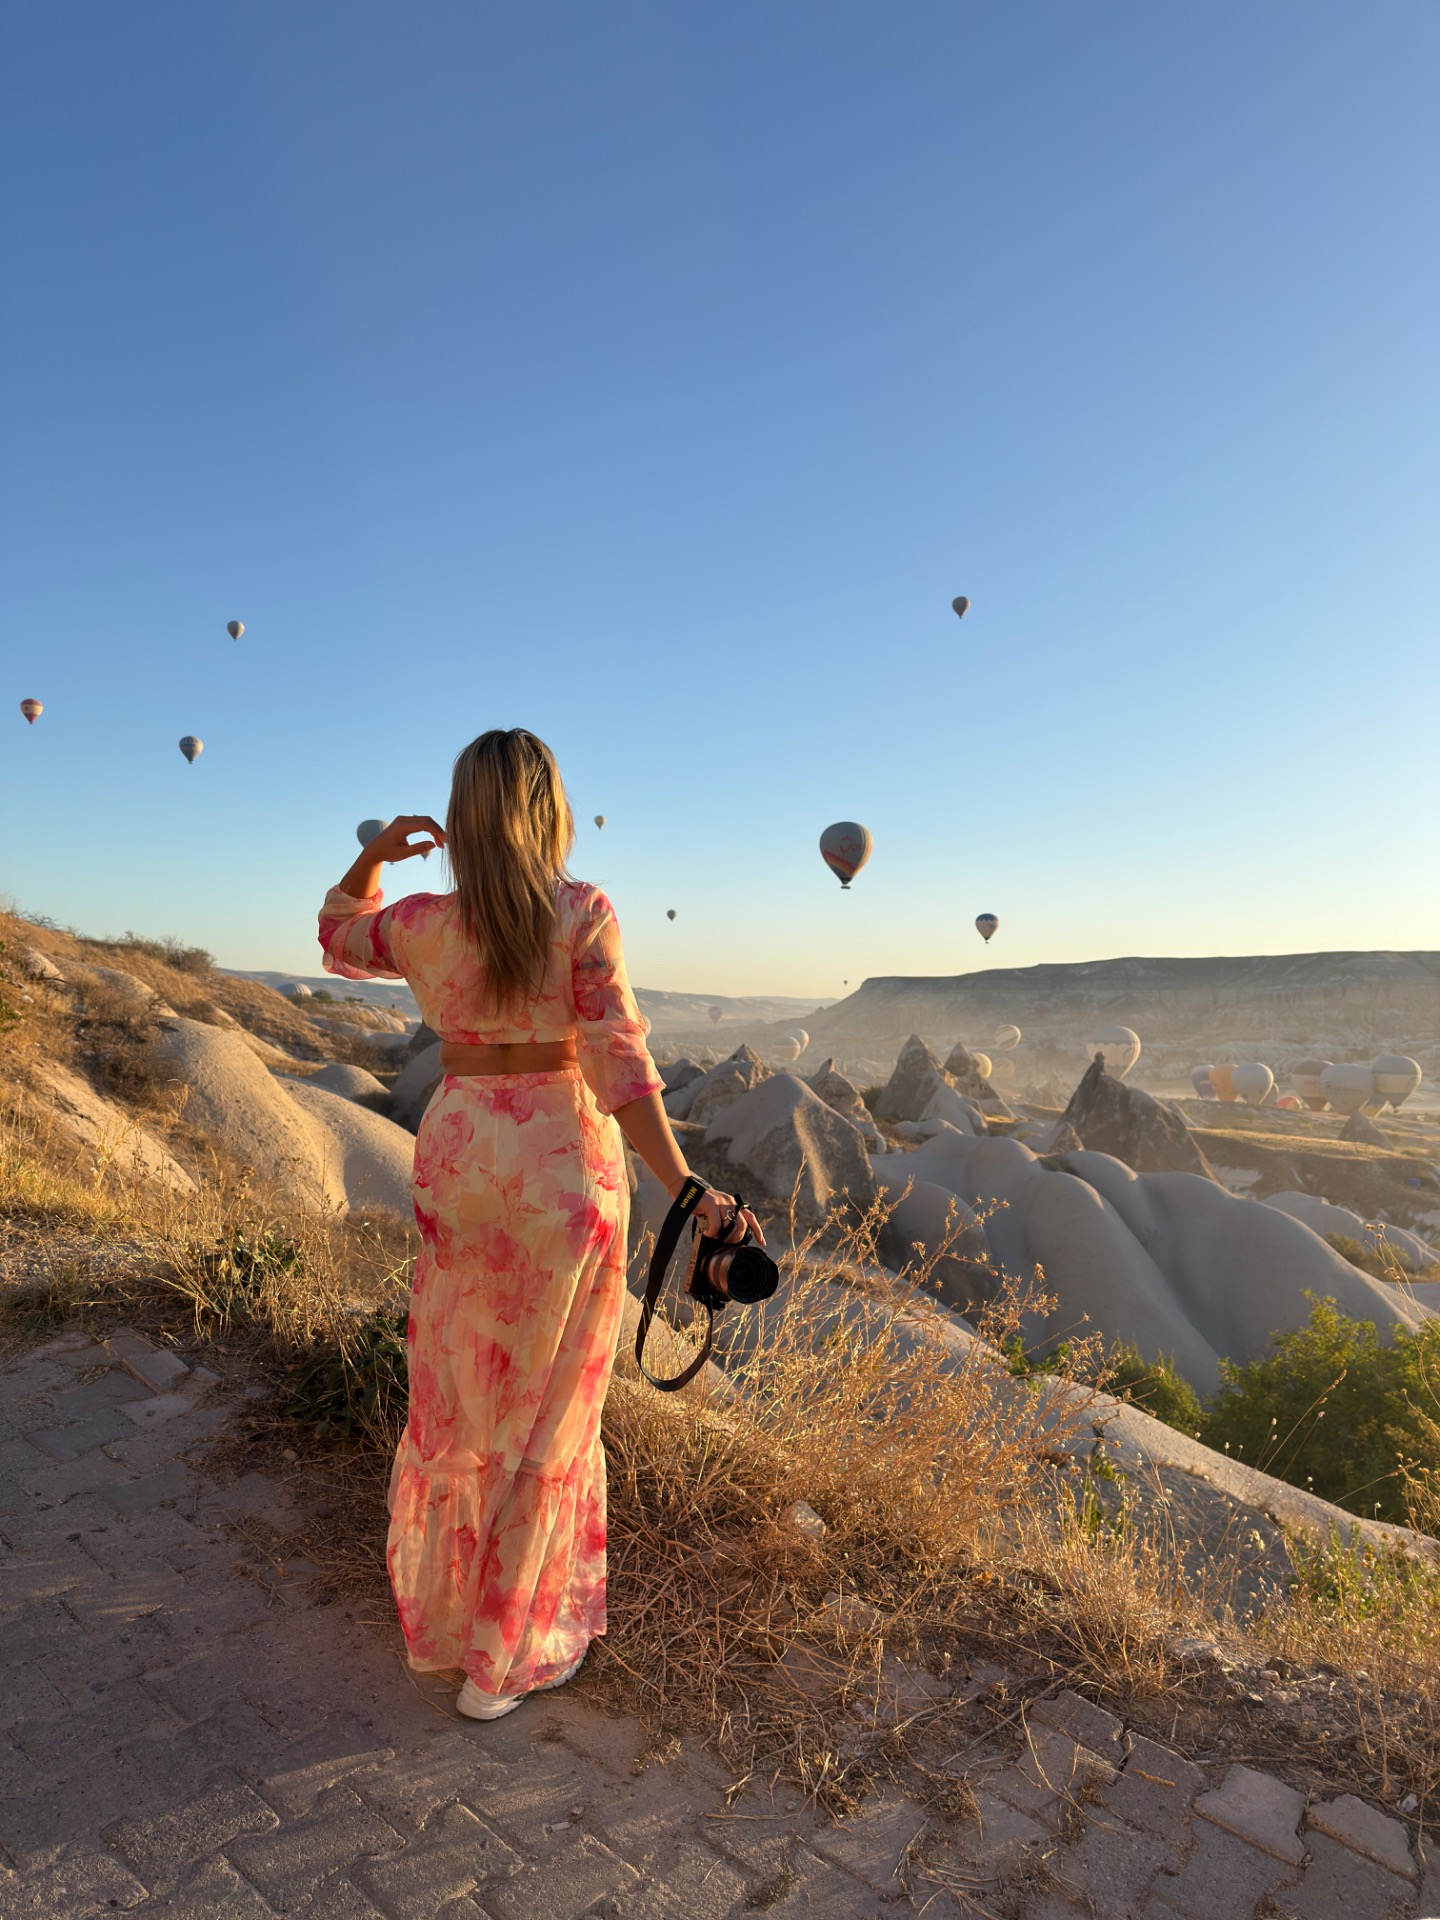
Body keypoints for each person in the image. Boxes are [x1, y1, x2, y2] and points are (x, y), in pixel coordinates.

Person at [318, 728, 760, 1721]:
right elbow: (623, 1068)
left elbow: (338, 935)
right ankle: (501, 1662)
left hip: (460, 1158)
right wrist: (690, 1189)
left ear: (461, 817)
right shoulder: (581, 912)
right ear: (550, 813)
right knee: (548, 1416)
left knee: (460, 1397)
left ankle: (446, 1632)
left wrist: (374, 855)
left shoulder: (423, 921)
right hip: (560, 1169)